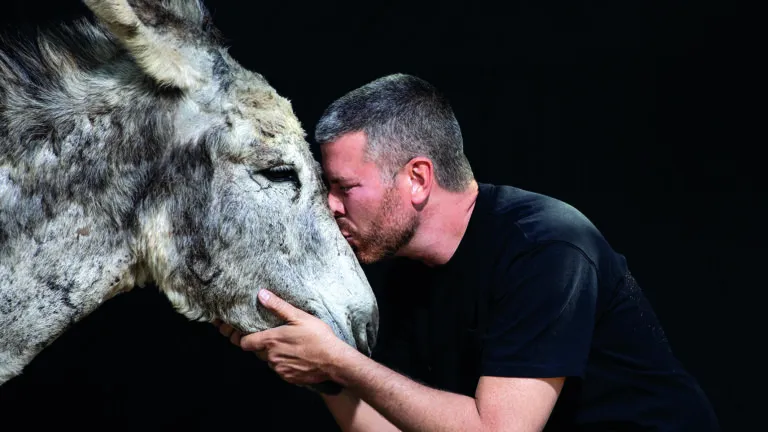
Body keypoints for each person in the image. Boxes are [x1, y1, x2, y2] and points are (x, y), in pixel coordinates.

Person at [215, 73, 719, 431]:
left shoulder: (546, 246)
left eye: (346, 187)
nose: (329, 205)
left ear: (417, 179)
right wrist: (320, 373)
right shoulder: (399, 271)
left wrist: (342, 361)